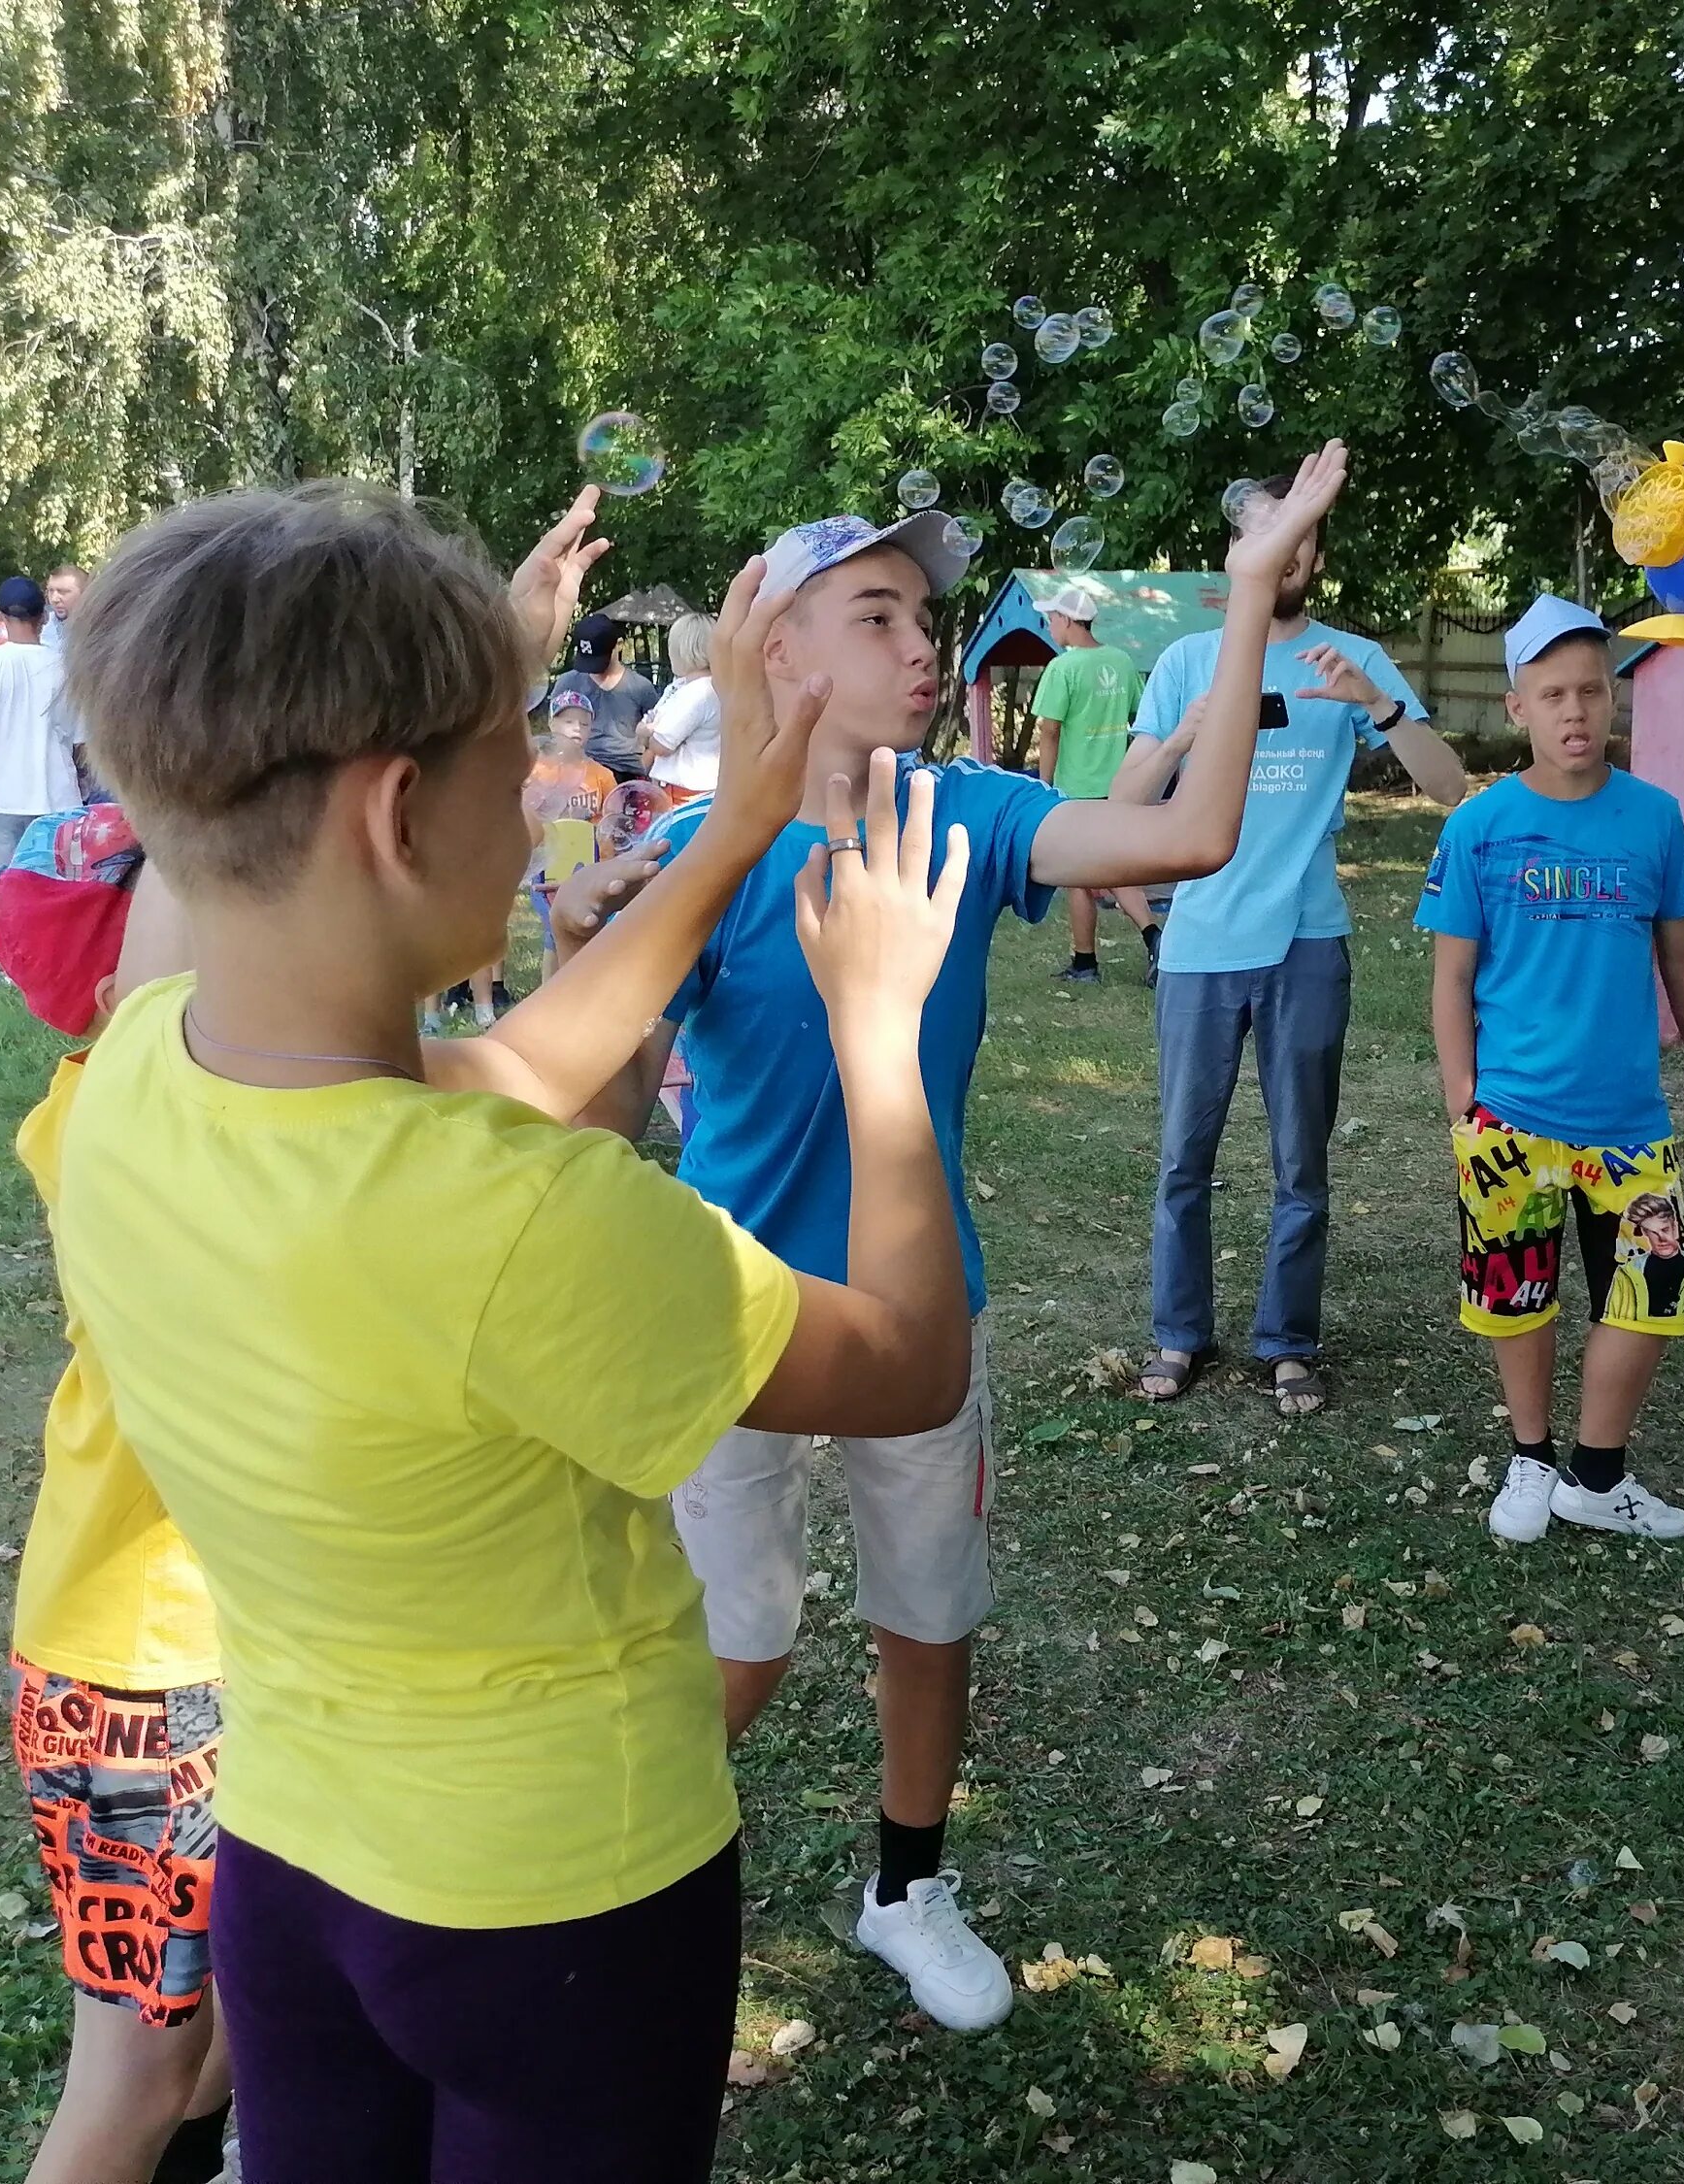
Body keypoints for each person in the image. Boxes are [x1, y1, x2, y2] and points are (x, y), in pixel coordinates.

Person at [47, 478, 980, 2181]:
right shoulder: (521, 1224)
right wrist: (883, 1033)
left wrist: (741, 818)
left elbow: (528, 1065)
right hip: (560, 1910)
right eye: (521, 752)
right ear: (404, 812)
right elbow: (911, 1360)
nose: (546, 786)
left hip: (290, 1875)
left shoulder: (138, 1073)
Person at [552, 443, 1360, 2033]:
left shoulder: (970, 813)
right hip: (727, 1322)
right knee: (740, 1629)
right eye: (878, 614)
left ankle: (906, 1888)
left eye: (925, 617)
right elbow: (601, 1132)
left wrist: (1252, 590)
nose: (925, 645)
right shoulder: (704, 855)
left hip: (926, 1316)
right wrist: (594, 953)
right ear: (771, 650)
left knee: (929, 1611)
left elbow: (1190, 839)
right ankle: (601, 1880)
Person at [0, 811, 237, 2184]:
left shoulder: (164, 1100)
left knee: (233, 2006)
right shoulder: (125, 1114)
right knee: (131, 2071)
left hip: (223, 1651)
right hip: (136, 1680)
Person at [1118, 469, 1471, 1412]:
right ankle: (1178, 1334)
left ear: (1315, 551)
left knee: (1299, 1163)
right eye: (1273, 535)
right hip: (1197, 946)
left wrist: (1381, 704)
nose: (1291, 554)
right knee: (1181, 1159)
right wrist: (1179, 738)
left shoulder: (1349, 657)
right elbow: (1123, 804)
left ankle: (1288, 1341)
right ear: (1242, 551)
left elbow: (1448, 790)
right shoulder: (1189, 661)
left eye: (1305, 536)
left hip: (1308, 942)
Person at [1417, 594, 1684, 1543]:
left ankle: (1598, 1477)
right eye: (1552, 694)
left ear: (1613, 698)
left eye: (1591, 690)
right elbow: (1453, 975)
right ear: (1518, 708)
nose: (1575, 711)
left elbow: (1683, 955)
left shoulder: (1652, 821)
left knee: (1650, 1292)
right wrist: (1463, 1099)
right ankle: (1531, 1457)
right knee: (1516, 1299)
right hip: (1514, 1112)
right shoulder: (1479, 827)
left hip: (1630, 1119)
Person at [1030, 580, 1160, 982]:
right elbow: (1143, 718)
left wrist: (1044, 785)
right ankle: (1086, 960)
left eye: (1050, 618)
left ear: (1068, 620)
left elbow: (1049, 732)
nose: (1048, 625)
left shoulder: (1062, 668)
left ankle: (1153, 939)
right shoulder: (1121, 661)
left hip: (1076, 790)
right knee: (1095, 874)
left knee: (1088, 875)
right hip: (1120, 785)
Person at [0, 576, 82, 873]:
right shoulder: (67, 667)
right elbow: (81, 740)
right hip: (60, 797)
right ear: (44, 616)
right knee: (58, 894)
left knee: (7, 892)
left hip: (5, 799)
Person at [552, 610, 660, 782]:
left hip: (626, 772)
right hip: (579, 770)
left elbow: (659, 734)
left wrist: (644, 765)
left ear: (619, 645)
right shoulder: (568, 683)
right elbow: (555, 731)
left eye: (599, 658)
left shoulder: (640, 687)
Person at [644, 612, 721, 800]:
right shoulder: (706, 686)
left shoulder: (696, 693)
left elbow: (662, 745)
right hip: (700, 786)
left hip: (683, 791)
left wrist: (646, 734)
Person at [44, 563, 88, 658]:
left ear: (85, 593)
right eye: (51, 591)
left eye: (63, 592)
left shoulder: (97, 628)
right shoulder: (41, 626)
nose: (55, 599)